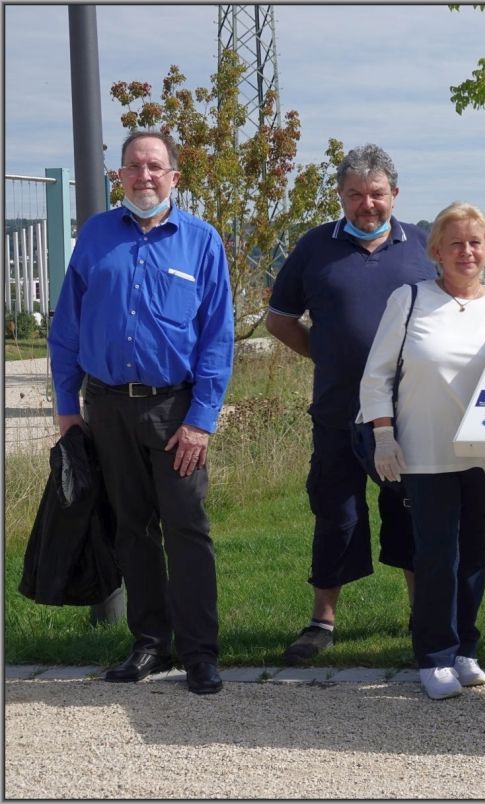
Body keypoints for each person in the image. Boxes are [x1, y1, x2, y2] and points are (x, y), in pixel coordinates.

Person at [48, 129, 234, 695]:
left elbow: (217, 337)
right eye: (134, 166)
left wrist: (201, 420)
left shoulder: (201, 241)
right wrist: (66, 407)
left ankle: (200, 652)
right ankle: (150, 641)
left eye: (155, 166)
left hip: (175, 410)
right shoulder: (95, 236)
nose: (144, 175)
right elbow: (66, 327)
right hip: (107, 407)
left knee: (187, 528)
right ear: (120, 176)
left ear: (174, 176)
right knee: (131, 529)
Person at [360, 202, 485, 700]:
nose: (467, 252)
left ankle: (464, 649)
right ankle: (434, 656)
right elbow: (377, 375)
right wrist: (383, 436)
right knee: (437, 556)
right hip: (424, 452)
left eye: (475, 242)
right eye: (455, 243)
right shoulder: (410, 300)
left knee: (475, 558)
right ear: (436, 252)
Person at [267, 144, 437, 665]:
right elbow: (280, 319)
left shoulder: (423, 248)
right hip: (338, 411)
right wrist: (327, 355)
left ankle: (423, 617)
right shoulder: (314, 247)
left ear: (395, 194)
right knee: (335, 515)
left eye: (377, 194)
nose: (367, 204)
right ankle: (322, 622)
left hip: (408, 414)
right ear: (340, 196)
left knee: (411, 514)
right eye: (355, 194)